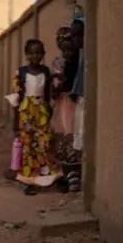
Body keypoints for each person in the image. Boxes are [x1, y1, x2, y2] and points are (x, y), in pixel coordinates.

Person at [9, 39, 55, 195]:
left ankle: (45, 177)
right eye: (32, 53)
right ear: (26, 55)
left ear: (43, 54)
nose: (35, 56)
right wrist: (16, 123)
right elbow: (16, 99)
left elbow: (48, 96)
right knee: (28, 147)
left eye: (39, 53)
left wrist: (50, 113)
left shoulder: (46, 72)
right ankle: (29, 181)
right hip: (25, 113)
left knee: (44, 143)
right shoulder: (21, 73)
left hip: (41, 111)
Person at [50, 26, 81, 192]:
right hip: (63, 104)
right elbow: (55, 88)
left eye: (70, 48)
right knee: (63, 136)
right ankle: (64, 174)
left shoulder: (79, 61)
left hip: (74, 103)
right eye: (64, 48)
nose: (67, 52)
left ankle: (74, 174)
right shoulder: (57, 62)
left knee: (74, 135)